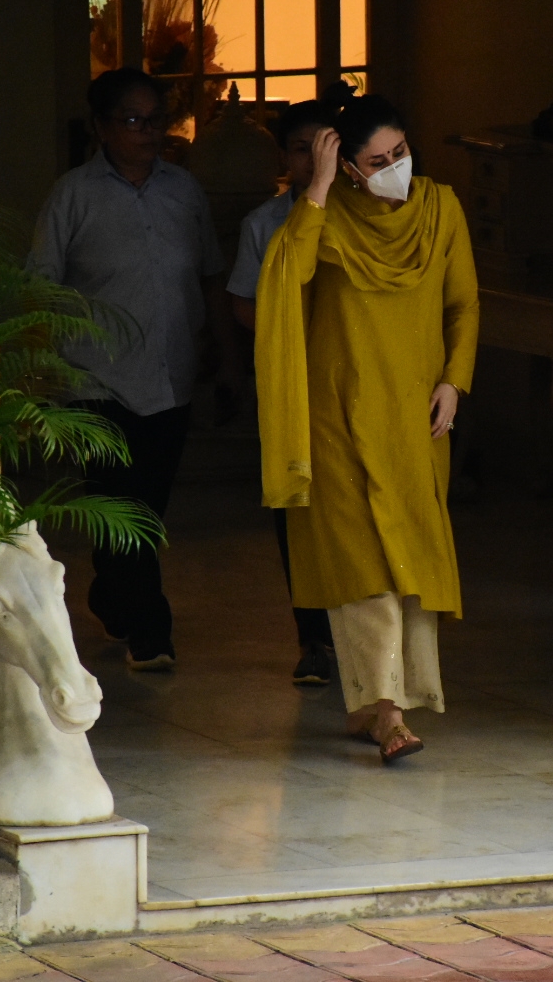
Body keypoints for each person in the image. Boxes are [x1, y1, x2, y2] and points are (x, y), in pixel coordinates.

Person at [255, 94, 479, 764]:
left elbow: (464, 303)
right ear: (349, 169)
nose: (394, 168)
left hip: (415, 417)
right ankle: (388, 715)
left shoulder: (441, 209)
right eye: (376, 161)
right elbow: (283, 280)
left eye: (400, 153)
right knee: (364, 568)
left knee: (409, 565)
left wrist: (454, 382)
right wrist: (316, 190)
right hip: (338, 420)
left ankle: (370, 705)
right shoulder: (321, 218)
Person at [28, 67, 237, 671]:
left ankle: (111, 593)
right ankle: (152, 631)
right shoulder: (72, 195)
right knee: (124, 506)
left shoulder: (185, 191)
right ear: (100, 127)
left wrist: (225, 362)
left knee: (147, 507)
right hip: (97, 383)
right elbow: (41, 286)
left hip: (170, 378)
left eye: (156, 121)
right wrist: (44, 374)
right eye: (132, 120)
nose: (147, 133)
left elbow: (210, 277)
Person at [229, 97, 342, 687]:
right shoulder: (264, 224)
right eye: (303, 149)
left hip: (349, 383)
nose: (314, 160)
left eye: (326, 146)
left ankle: (358, 642)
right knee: (294, 507)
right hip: (290, 382)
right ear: (287, 156)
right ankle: (313, 640)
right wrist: (289, 324)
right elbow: (243, 305)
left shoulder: (365, 214)